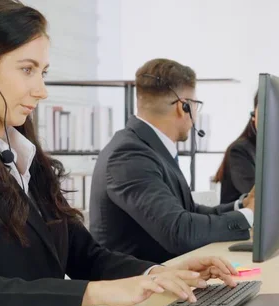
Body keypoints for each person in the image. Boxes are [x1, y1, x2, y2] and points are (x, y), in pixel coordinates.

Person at [0, 3, 238, 306]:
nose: (41, 90)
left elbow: (85, 255)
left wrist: (159, 273)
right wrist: (95, 294)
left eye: (43, 72)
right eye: (27, 70)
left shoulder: (23, 158)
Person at [89, 58, 255, 264]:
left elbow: (188, 212)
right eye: (195, 105)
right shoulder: (128, 156)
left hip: (165, 278)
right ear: (183, 107)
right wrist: (249, 216)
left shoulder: (151, 147)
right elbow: (179, 231)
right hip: (138, 287)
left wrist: (241, 206)